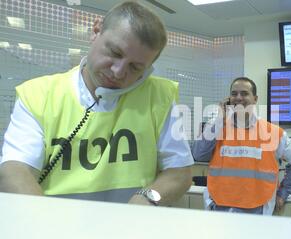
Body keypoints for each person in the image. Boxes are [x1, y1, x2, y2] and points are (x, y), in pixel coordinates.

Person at [0, 1, 194, 206]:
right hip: (56, 231)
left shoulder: (160, 97)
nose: (119, 72)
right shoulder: (38, 95)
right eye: (115, 53)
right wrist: (46, 226)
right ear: (96, 31)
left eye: (135, 67)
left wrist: (142, 204)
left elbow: (180, 173)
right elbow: (15, 170)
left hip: (130, 230)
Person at [192, 77, 291, 215]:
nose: (238, 98)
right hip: (219, 206)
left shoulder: (271, 132)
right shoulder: (217, 126)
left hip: (257, 208)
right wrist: (219, 121)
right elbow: (199, 155)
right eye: (234, 94)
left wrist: (283, 193)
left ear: (255, 99)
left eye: (244, 93)